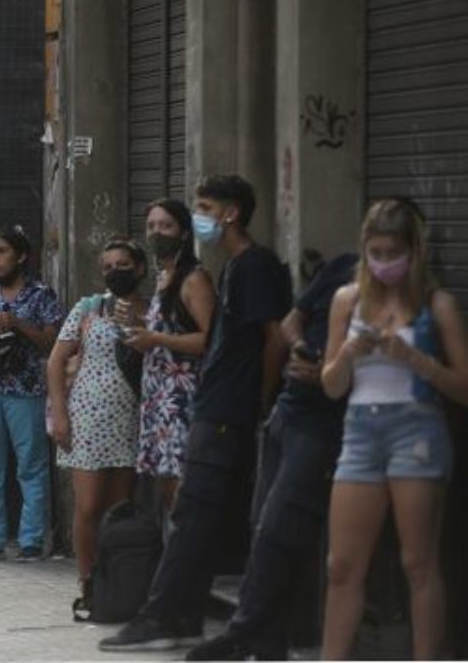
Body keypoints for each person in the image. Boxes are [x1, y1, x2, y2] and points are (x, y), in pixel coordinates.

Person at [100, 175, 292, 652]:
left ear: (230, 213)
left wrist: (263, 401)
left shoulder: (250, 268)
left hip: (225, 409)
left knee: (192, 511)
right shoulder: (232, 267)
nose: (198, 214)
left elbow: (273, 338)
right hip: (215, 404)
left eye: (204, 206)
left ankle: (166, 614)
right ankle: (180, 614)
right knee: (197, 514)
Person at [185, 252, 358, 660]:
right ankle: (267, 637)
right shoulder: (341, 269)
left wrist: (329, 371)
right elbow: (289, 323)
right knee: (264, 526)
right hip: (289, 411)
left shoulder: (389, 297)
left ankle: (246, 630)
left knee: (282, 526)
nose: (382, 259)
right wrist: (298, 349)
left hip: (324, 426)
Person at [318, 198, 468, 661]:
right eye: (375, 253)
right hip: (361, 431)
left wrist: (418, 361)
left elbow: (463, 386)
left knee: (418, 562)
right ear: (364, 250)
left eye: (393, 253)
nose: (384, 263)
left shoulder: (435, 304)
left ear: (413, 252)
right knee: (342, 565)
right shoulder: (348, 299)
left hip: (416, 430)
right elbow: (330, 386)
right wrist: (347, 355)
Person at [48, 238, 148, 618]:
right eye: (107, 266)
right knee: (88, 506)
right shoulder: (89, 308)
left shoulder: (152, 311)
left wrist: (138, 327)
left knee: (119, 508)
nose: (115, 272)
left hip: (131, 418)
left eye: (123, 264)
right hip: (88, 416)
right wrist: (60, 413)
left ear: (139, 268)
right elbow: (56, 361)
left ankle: (117, 583)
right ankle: (87, 582)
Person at [0, 225, 64, 563]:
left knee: (31, 466)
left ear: (21, 257)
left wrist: (16, 323)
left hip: (24, 389)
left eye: (3, 253)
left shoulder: (41, 295)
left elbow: (52, 342)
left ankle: (31, 539)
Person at [127, 199, 214, 513]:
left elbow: (208, 339)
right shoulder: (164, 278)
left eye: (166, 226)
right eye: (151, 226)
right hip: (157, 396)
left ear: (183, 233)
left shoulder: (194, 279)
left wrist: (156, 338)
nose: (156, 233)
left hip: (182, 397)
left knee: (181, 487)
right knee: (164, 488)